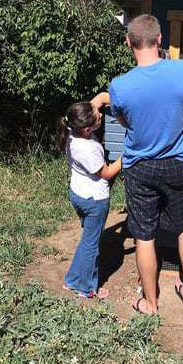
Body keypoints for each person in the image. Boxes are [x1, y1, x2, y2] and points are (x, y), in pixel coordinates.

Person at [91, 14, 183, 314]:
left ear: (129, 43)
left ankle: (150, 303)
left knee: (144, 235)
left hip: (142, 167)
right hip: (180, 163)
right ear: (160, 39)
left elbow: (126, 121)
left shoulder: (120, 86)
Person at [56, 101, 122, 298]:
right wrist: (126, 156)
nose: (100, 114)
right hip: (94, 201)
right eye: (97, 116)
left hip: (78, 194)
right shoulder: (88, 150)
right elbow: (108, 172)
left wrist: (113, 98)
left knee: (87, 240)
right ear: (87, 129)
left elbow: (97, 101)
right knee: (91, 245)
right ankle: (86, 288)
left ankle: (72, 280)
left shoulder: (70, 128)